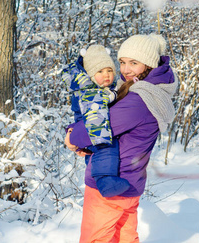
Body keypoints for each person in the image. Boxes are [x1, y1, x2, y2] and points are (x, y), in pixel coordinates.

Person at [65, 34, 178, 243]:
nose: (125, 69)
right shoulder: (146, 93)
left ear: (149, 64)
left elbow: (95, 127)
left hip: (110, 186)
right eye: (122, 62)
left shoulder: (138, 99)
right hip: (130, 184)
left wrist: (72, 135)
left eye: (133, 63)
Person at [62, 44, 130, 197]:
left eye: (109, 70)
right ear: (91, 75)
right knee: (105, 149)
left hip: (86, 132)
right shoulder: (92, 93)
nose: (106, 75)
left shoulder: (101, 89)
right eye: (100, 71)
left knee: (99, 156)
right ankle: (105, 182)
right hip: (92, 132)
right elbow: (93, 119)